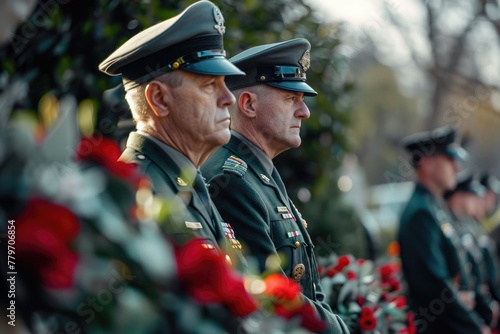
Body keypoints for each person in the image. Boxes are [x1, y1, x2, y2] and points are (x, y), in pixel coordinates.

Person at [201, 38, 349, 333]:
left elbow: (308, 288)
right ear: (249, 104)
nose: (304, 112)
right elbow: (273, 294)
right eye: (290, 98)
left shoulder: (260, 172)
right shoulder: (231, 180)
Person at [98, 0, 245, 262]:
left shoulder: (185, 180)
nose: (228, 98)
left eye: (225, 84)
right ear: (159, 99)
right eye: (210, 85)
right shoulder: (137, 193)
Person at [397, 126, 488, 334]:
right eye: (449, 160)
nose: (457, 168)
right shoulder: (421, 213)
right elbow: (434, 287)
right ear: (427, 164)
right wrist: (475, 328)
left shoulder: (433, 207)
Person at [445, 172, 499, 329]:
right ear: (459, 196)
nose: (479, 203)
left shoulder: (467, 227)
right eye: (473, 197)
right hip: (465, 311)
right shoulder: (453, 227)